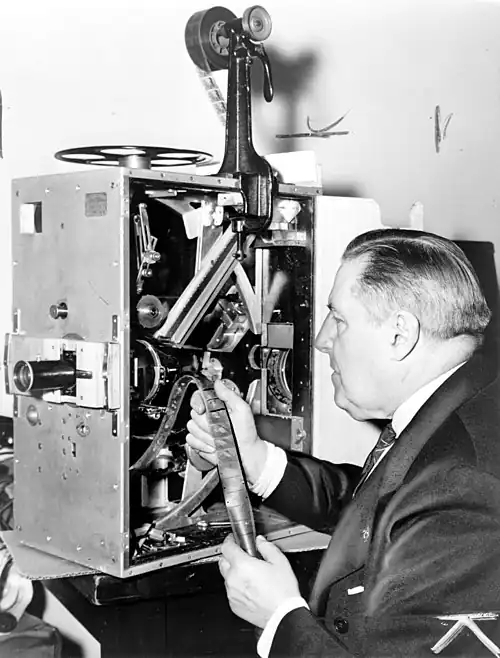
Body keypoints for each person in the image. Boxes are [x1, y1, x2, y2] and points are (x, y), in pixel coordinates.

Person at [187, 228, 500, 657]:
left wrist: (281, 619)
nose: (321, 340)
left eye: (339, 318)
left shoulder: (467, 482)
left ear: (399, 334)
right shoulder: (469, 403)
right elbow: (387, 506)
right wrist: (256, 459)